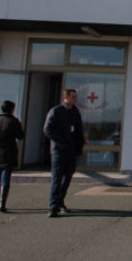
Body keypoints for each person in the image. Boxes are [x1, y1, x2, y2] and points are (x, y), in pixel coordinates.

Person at [43, 88, 85, 218]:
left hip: (72, 151)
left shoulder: (75, 112)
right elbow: (47, 129)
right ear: (65, 97)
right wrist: (61, 142)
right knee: (57, 178)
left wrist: (79, 144)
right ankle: (53, 206)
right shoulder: (56, 111)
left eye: (76, 97)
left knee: (67, 178)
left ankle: (60, 201)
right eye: (73, 97)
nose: (75, 99)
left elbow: (79, 130)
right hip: (59, 151)